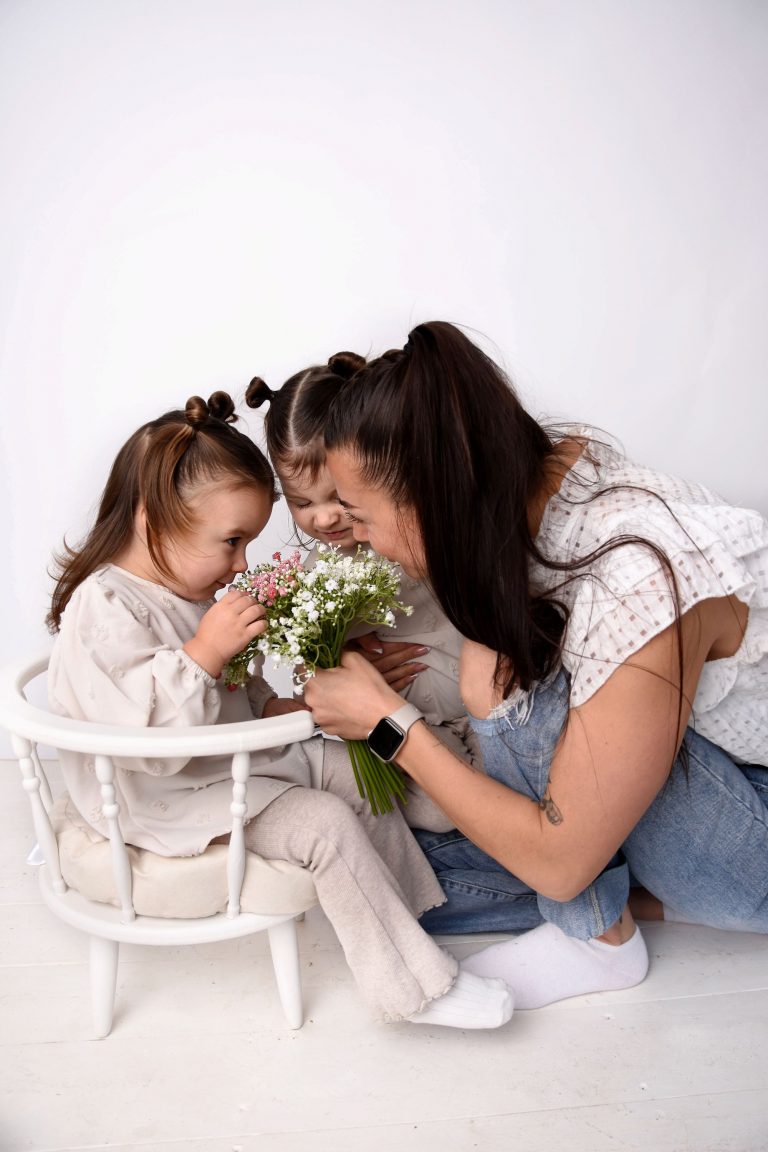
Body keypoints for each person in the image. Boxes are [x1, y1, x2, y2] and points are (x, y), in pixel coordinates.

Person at [303, 320, 768, 1010]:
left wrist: (388, 726)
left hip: (753, 838)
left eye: (360, 517)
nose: (362, 542)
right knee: (400, 869)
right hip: (717, 794)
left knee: (495, 682)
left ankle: (598, 939)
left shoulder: (636, 578)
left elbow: (559, 858)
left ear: (433, 495)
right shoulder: (547, 477)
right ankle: (638, 901)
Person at [45, 389, 515, 1029]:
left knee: (373, 777)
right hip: (177, 800)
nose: (242, 564)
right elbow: (147, 745)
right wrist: (203, 653)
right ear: (153, 524)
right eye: (232, 542)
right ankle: (415, 990)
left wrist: (281, 703)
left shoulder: (187, 585)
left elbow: (240, 689)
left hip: (241, 767)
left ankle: (407, 926)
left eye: (250, 544)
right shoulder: (105, 607)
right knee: (324, 824)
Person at [246, 358, 485, 835]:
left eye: (338, 496)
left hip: (474, 714)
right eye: (301, 503)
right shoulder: (317, 577)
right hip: (401, 729)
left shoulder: (408, 538)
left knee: (470, 804)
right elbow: (316, 675)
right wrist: (333, 660)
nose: (325, 518)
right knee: (422, 811)